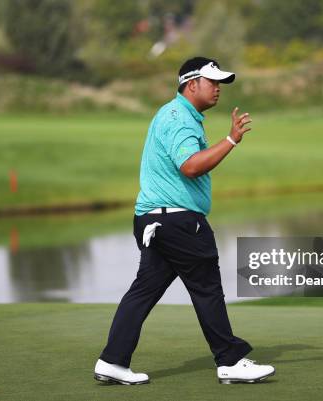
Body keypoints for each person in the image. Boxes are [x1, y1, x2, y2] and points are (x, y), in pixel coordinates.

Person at [94, 56, 275, 385]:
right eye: (212, 82)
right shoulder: (180, 118)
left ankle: (112, 360)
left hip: (155, 221)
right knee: (207, 288)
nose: (218, 89)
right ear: (191, 85)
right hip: (178, 222)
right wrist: (231, 139)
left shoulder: (176, 114)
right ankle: (230, 360)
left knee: (143, 292)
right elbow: (190, 166)